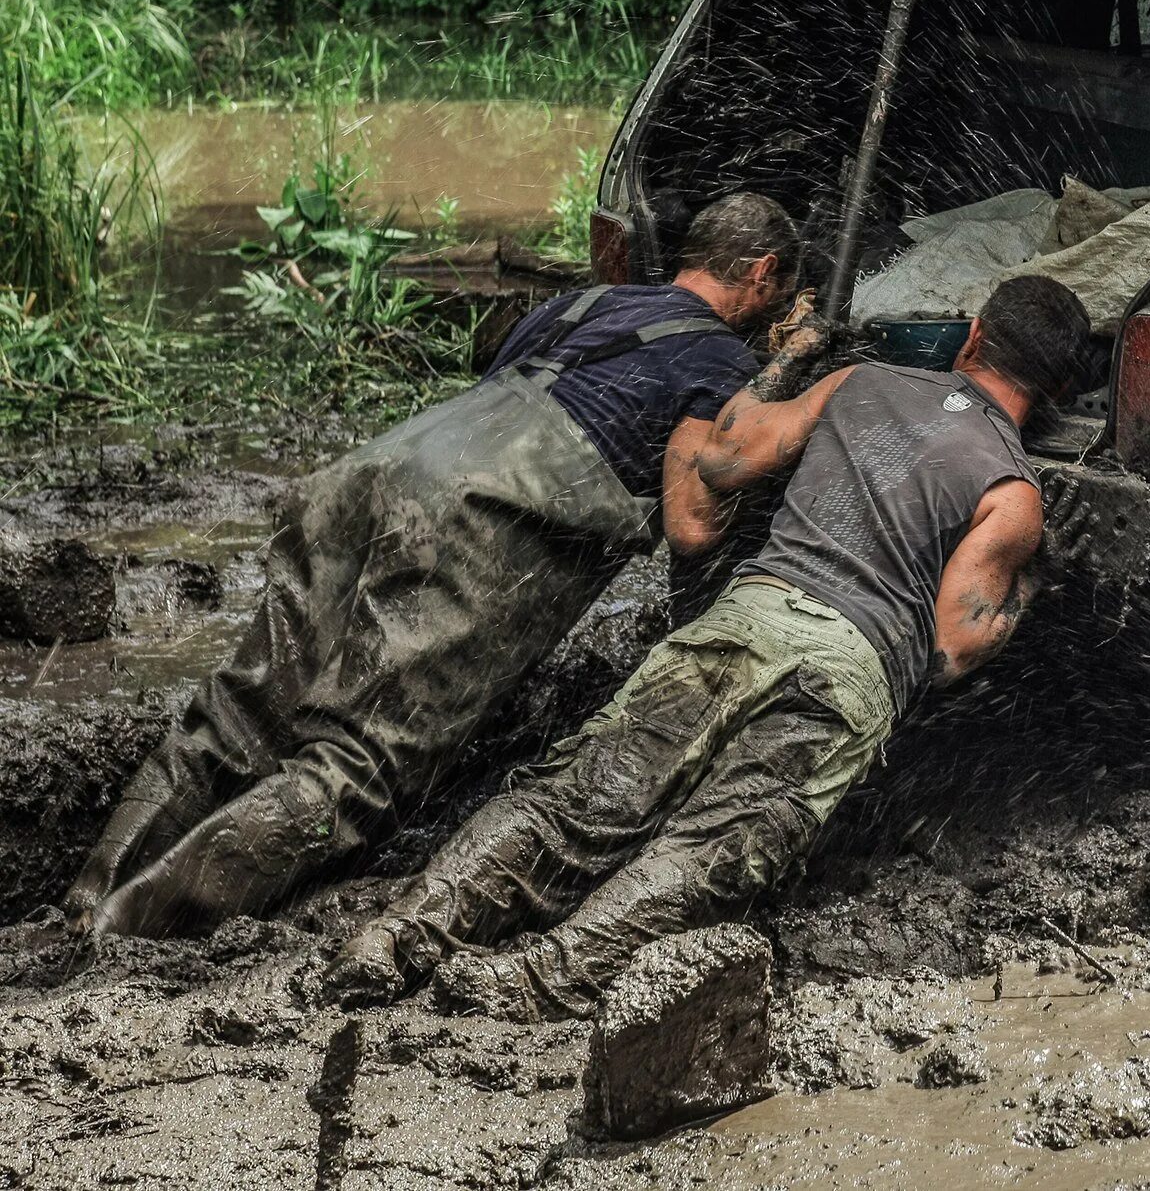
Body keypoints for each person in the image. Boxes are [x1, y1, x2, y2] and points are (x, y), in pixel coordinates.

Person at [323, 274, 1092, 1020]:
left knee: (576, 796)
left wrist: (789, 355)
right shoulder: (1013, 493)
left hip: (740, 621)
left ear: (973, 335)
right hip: (845, 672)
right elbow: (950, 648)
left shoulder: (858, 380)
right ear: (1056, 394)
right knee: (710, 850)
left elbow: (723, 460)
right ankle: (534, 981)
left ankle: (396, 936)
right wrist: (1033, 578)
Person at [68, 192, 805, 939]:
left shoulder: (585, 303)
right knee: (360, 766)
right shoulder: (723, 360)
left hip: (376, 473)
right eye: (783, 290)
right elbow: (688, 522)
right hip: (473, 516)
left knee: (241, 711)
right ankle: (129, 932)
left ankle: (81, 900)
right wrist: (780, 376)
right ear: (763, 274)